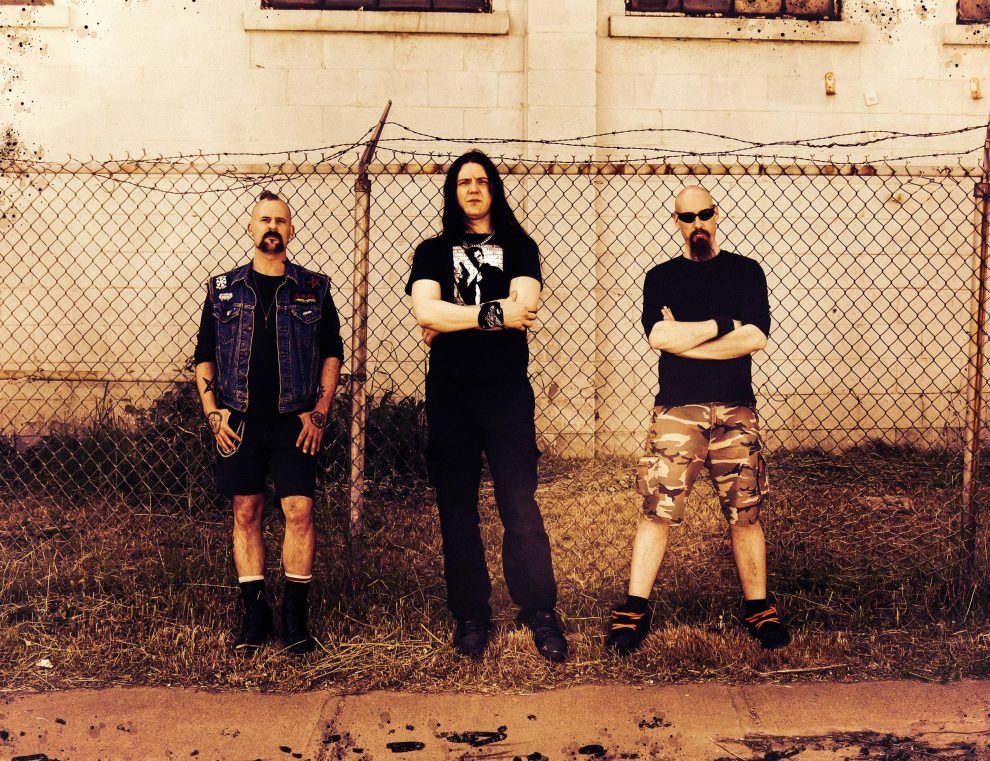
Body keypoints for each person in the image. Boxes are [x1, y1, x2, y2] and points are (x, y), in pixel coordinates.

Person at [606, 185, 790, 655]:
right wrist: (723, 325)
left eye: (704, 214)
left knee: (745, 512)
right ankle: (634, 610)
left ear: (716, 214)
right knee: (658, 509)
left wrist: (688, 340)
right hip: (677, 408)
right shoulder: (661, 277)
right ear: (677, 222)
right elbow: (659, 337)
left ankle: (759, 608)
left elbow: (756, 338)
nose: (697, 224)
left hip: (735, 409)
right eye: (687, 217)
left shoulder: (746, 271)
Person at [405, 150, 567, 662]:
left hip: (505, 392)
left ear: (493, 189)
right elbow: (424, 311)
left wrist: (451, 319)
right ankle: (471, 614)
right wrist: (495, 315)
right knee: (456, 504)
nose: (473, 189)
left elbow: (526, 306)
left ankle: (539, 609)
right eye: (463, 182)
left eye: (481, 181)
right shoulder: (432, 251)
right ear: (453, 192)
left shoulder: (520, 247)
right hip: (451, 393)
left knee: (519, 501)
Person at [193, 190, 343, 655]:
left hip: (294, 421)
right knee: (246, 512)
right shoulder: (222, 289)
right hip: (238, 420)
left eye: (280, 220)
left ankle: (295, 617)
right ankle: (254, 614)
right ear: (251, 228)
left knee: (300, 510)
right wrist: (213, 413)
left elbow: (332, 354)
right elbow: (204, 356)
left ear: (291, 230)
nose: (272, 227)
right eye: (264, 220)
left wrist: (319, 413)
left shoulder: (314, 287)